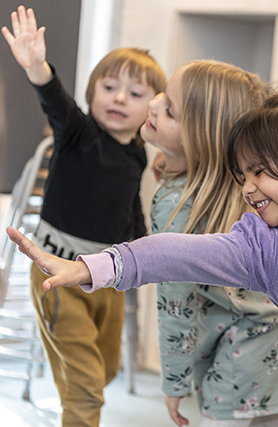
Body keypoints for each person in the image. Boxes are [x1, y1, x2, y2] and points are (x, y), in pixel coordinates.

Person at [7, 91, 278, 427]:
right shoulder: (265, 249)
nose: (248, 187)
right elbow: (171, 254)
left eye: (260, 171)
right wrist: (89, 267)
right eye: (242, 175)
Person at [2, 6, 165, 426]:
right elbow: (55, 102)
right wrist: (38, 67)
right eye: (109, 87)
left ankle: (75, 398)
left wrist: (146, 254)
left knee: (104, 369)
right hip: (57, 274)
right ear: (93, 94)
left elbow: (130, 207)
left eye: (134, 93)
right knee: (87, 383)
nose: (119, 98)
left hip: (105, 278)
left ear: (152, 110)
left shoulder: (137, 152)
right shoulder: (78, 133)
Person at [143, 60, 278, 426]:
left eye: (169, 110)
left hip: (239, 368)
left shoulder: (176, 206)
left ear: (199, 139)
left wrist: (174, 382)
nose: (153, 104)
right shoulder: (253, 199)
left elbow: (176, 305)